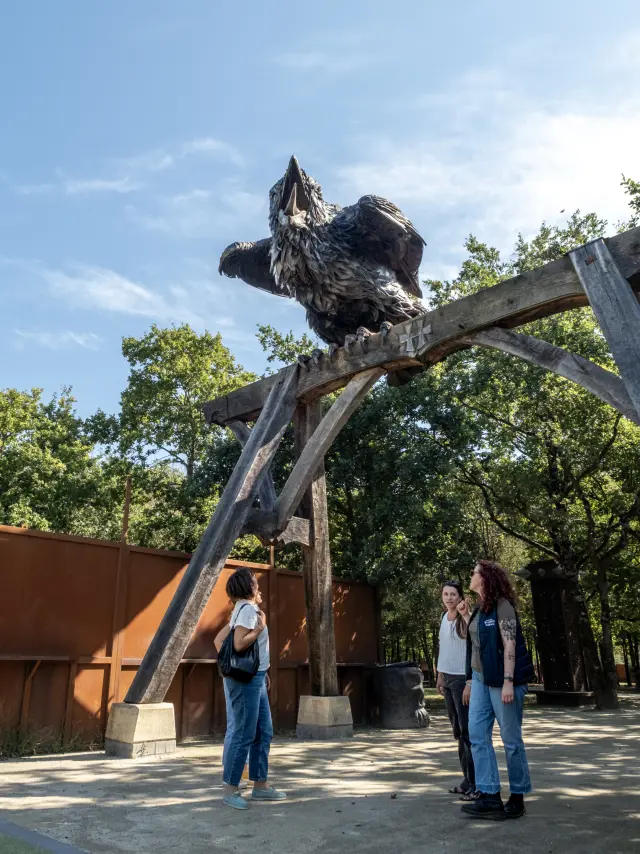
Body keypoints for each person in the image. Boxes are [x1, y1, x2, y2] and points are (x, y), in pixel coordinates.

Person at [458, 559, 534, 820]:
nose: (471, 575)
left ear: (485, 578)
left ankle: (517, 797)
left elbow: (509, 646)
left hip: (503, 680)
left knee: (511, 740)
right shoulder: (480, 608)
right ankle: (489, 795)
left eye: (474, 572)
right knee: (478, 735)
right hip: (480, 679)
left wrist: (509, 681)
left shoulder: (503, 606)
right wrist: (466, 615)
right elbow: (478, 644)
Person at [214, 567, 286, 810]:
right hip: (247, 681)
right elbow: (237, 643)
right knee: (245, 732)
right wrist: (258, 628)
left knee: (263, 730)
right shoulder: (249, 612)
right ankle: (231, 789)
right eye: (255, 582)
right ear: (249, 587)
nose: (259, 585)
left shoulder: (239, 611)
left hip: (254, 678)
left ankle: (260, 786)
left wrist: (260, 673)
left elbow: (217, 641)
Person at [436, 580, 476, 801]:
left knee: (468, 732)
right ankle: (466, 780)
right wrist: (440, 675)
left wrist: (465, 613)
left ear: (460, 596)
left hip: (462, 679)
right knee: (458, 733)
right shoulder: (443, 617)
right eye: (445, 594)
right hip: (448, 679)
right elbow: (444, 648)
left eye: (453, 594)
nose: (449, 598)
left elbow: (472, 635)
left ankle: (476, 783)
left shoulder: (464, 616)